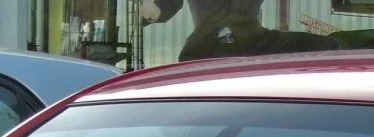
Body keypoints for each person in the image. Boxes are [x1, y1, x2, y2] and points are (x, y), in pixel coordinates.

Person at [140, 0, 341, 60]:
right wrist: (150, 9)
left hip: (256, 43)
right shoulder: (196, 56)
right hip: (204, 50)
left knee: (330, 46)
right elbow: (162, 8)